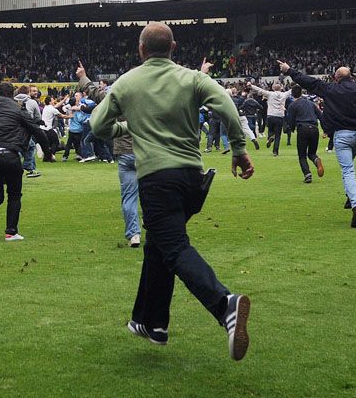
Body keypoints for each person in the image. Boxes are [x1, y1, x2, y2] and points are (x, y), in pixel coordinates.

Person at [89, 22, 255, 361]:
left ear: (140, 50)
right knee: (160, 243)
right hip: (191, 179)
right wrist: (238, 148)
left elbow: (97, 125)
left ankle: (226, 305)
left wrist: (129, 125)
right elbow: (226, 104)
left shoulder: (128, 82)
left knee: (174, 246)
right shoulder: (193, 78)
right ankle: (152, 322)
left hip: (156, 178)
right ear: (174, 47)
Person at [279, 60, 356, 228]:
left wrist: (289, 70)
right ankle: (350, 196)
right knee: (349, 167)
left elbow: (307, 80)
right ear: (351, 76)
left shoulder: (330, 89)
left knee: (347, 171)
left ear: (335, 78)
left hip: (342, 135)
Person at [0, 79, 51, 241]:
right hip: (10, 154)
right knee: (14, 195)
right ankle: (11, 232)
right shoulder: (18, 109)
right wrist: (48, 152)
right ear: (12, 94)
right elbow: (37, 131)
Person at [77, 68, 140, 247]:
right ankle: (155, 230)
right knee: (152, 194)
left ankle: (133, 235)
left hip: (126, 153)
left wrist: (83, 77)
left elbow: (96, 94)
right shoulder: (149, 100)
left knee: (129, 197)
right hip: (147, 154)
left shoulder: (118, 100)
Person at [284, 84, 324, 184]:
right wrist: (325, 130)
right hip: (314, 128)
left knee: (302, 155)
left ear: (292, 94)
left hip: (302, 128)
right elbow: (320, 116)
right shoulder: (311, 103)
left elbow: (291, 119)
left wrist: (292, 128)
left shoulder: (292, 105)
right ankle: (316, 160)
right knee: (312, 153)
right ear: (301, 93)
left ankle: (307, 174)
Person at [248, 81, 291, 156]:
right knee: (278, 135)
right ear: (281, 88)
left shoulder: (270, 94)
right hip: (280, 116)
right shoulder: (284, 94)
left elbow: (260, 90)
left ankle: (270, 137)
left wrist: (251, 85)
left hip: (271, 115)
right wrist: (300, 83)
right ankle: (275, 151)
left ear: (273, 88)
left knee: (270, 130)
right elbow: (291, 90)